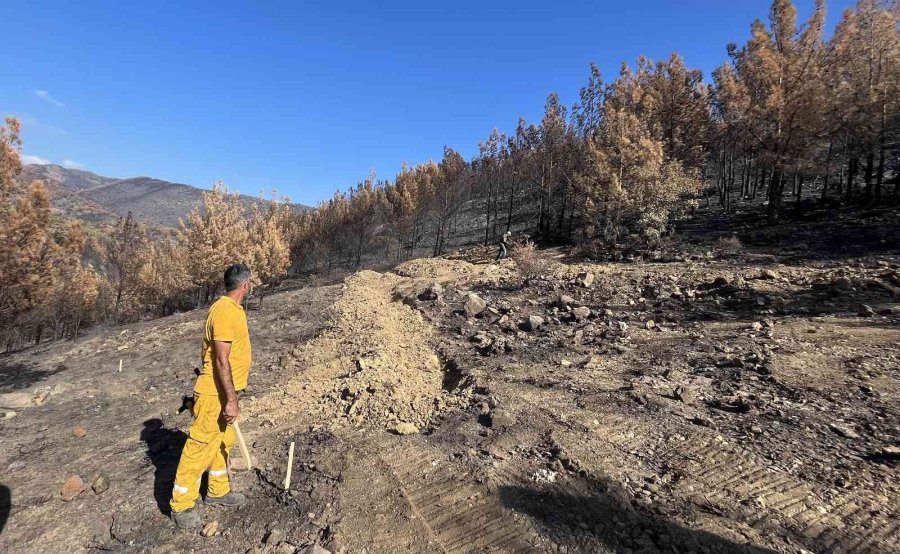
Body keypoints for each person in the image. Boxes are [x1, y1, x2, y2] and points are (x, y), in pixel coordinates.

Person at [170, 263, 253, 529]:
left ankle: (217, 491)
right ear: (245, 286)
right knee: (198, 447)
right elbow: (221, 360)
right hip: (214, 394)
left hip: (224, 391)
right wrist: (230, 399)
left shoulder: (232, 310)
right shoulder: (225, 312)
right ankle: (180, 505)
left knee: (222, 442)